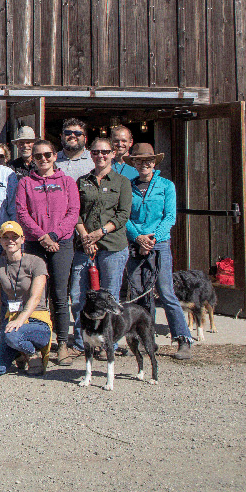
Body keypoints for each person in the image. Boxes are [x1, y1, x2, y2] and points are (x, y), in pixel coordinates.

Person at [124, 143, 194, 359]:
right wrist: (138, 237)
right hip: (135, 244)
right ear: (133, 163)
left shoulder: (166, 186)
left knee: (165, 291)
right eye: (139, 160)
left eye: (148, 160)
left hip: (159, 243)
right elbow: (123, 216)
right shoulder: (127, 186)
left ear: (154, 163)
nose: (144, 164)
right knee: (139, 294)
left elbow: (170, 216)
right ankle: (144, 339)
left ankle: (183, 339)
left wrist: (152, 238)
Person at [15, 139, 79, 365]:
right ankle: (35, 345)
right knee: (35, 295)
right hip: (35, 243)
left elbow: (73, 212)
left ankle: (62, 344)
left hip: (61, 244)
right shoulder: (25, 183)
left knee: (60, 296)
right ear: (32, 157)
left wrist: (54, 236)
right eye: (38, 155)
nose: (43, 159)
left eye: (48, 155)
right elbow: (22, 212)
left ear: (55, 156)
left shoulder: (68, 182)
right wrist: (42, 236)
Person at [70, 137, 133, 358]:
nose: (101, 156)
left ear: (113, 154)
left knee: (109, 297)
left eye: (105, 152)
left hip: (112, 247)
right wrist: (86, 236)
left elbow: (123, 214)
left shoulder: (122, 182)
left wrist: (100, 232)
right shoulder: (82, 181)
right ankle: (82, 343)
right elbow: (75, 211)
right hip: (84, 247)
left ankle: (109, 344)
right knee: (78, 295)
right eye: (96, 152)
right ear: (91, 154)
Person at [0, 221, 51, 376]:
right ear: (0, 241)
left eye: (14, 237)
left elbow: (35, 298)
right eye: (5, 237)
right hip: (12, 323)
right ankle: (19, 351)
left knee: (12, 334)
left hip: (37, 321)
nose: (10, 241)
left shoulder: (36, 262)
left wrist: (19, 321)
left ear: (22, 239)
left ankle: (32, 354)